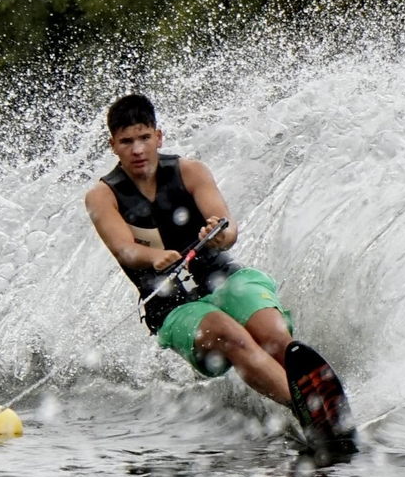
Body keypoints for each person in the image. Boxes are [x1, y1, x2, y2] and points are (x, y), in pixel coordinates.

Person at [85, 93, 296, 406]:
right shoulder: (102, 196)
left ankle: (318, 402)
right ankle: (307, 408)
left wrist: (218, 235)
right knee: (231, 336)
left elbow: (228, 228)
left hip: (224, 279)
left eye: (144, 137)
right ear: (113, 145)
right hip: (172, 306)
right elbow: (124, 250)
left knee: (274, 336)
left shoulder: (191, 172)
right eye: (127, 141)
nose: (138, 149)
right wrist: (156, 257)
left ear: (159, 137)